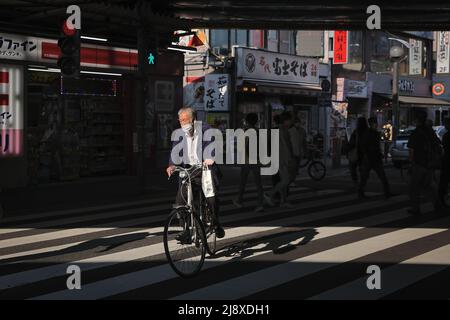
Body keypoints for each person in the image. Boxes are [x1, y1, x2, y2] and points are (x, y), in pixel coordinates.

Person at [166, 107, 225, 238]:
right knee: (180, 200)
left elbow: (212, 144)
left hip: (205, 169)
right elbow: (175, 150)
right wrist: (172, 165)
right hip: (189, 170)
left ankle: (216, 223)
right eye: (181, 121)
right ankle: (186, 229)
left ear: (194, 120)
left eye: (186, 120)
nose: (183, 124)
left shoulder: (206, 129)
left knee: (211, 198)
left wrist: (210, 157)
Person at [407, 110, 444, 215]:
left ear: (417, 120)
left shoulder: (415, 133)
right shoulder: (430, 131)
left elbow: (411, 150)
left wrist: (411, 163)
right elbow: (438, 144)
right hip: (430, 163)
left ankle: (415, 208)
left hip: (419, 163)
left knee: (414, 187)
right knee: (428, 185)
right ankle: (437, 204)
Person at [233, 113, 264, 212]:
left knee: (243, 182)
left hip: (246, 160)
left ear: (247, 121)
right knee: (258, 183)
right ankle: (260, 203)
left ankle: (239, 200)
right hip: (256, 160)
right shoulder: (258, 132)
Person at [265, 112, 297, 208]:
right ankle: (269, 194)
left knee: (283, 180)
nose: (291, 122)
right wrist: (291, 157)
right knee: (286, 180)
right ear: (286, 120)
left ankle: (283, 201)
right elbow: (287, 145)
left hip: (277, 158)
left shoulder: (278, 129)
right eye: (290, 120)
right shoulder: (283, 130)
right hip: (282, 158)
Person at [358, 117, 392, 199]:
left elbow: (367, 146)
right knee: (367, 176)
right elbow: (364, 146)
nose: (376, 124)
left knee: (375, 176)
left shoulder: (372, 133)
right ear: (371, 124)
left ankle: (387, 192)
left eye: (376, 123)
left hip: (373, 157)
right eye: (374, 123)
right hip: (371, 157)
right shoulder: (370, 133)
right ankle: (386, 192)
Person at [347, 117, 368, 187]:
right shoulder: (367, 131)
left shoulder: (356, 132)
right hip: (364, 153)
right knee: (362, 170)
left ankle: (356, 182)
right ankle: (362, 184)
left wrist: (348, 151)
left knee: (353, 168)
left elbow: (351, 143)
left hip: (357, 152)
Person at [438, 118, 450, 208]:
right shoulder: (446, 135)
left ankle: (441, 199)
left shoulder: (446, 135)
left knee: (444, 181)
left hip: (447, 160)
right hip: (446, 160)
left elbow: (444, 147)